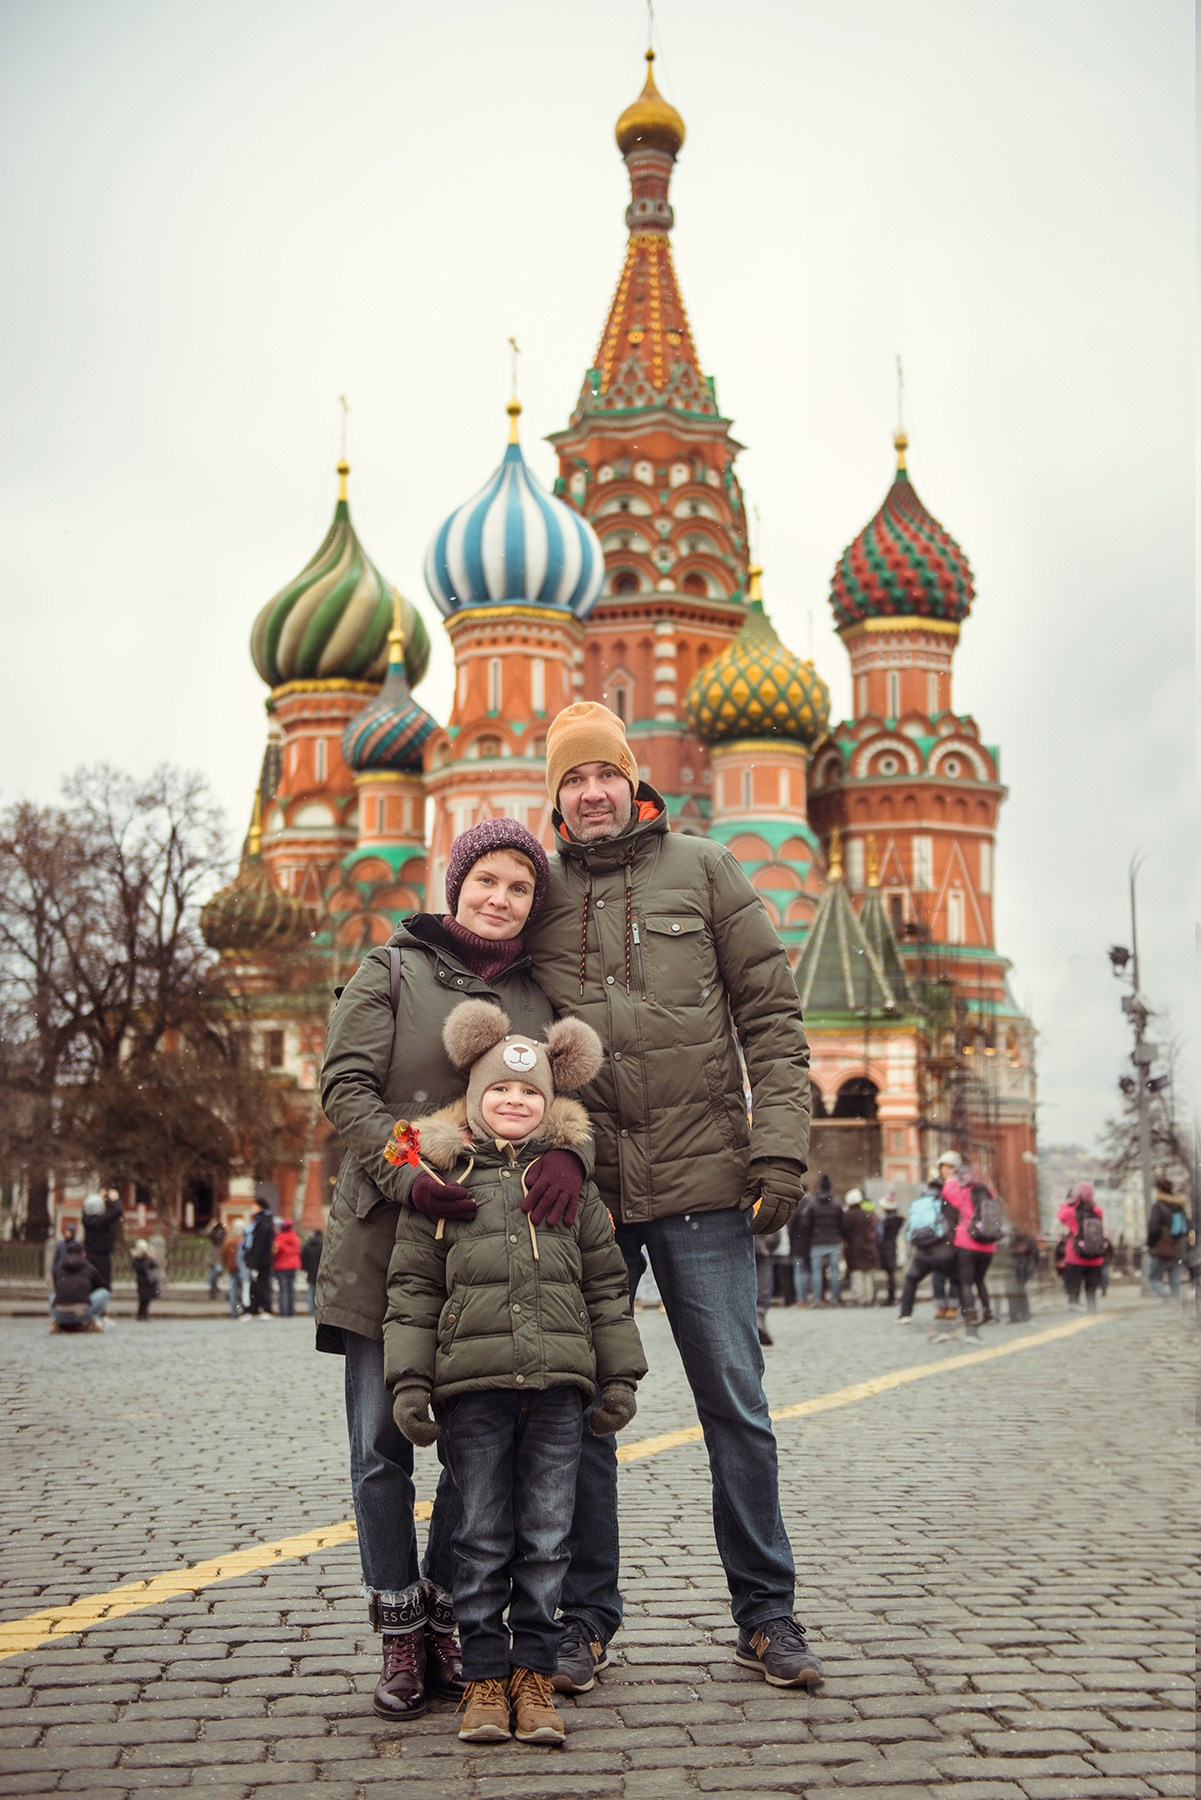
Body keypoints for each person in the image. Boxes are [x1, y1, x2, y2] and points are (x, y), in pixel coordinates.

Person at [525, 700, 823, 1694]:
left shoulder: (703, 867)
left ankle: (766, 1615)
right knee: (584, 1411)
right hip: (588, 1192)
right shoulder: (538, 893)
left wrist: (778, 1151)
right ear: (556, 797)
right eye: (571, 780)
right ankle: (584, 1622)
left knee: (734, 1405)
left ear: (631, 778)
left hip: (702, 1183)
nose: (590, 793)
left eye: (602, 774)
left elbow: (772, 1019)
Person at [318, 818, 576, 1721]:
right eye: (486, 881)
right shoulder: (390, 970)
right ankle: (399, 1628)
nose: (499, 899)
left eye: (518, 887)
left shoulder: (540, 995)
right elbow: (344, 1088)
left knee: (474, 1450)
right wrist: (403, 1171)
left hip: (490, 1256)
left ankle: (447, 1615)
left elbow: (566, 1097)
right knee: (380, 1448)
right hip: (388, 1235)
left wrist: (570, 1155)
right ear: (455, 880)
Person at [384, 999, 646, 1747]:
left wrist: (619, 1377)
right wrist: (409, 1383)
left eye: (529, 1093)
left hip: (560, 1391)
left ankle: (534, 1677)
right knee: (480, 1539)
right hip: (474, 1394)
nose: (513, 1100)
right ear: (473, 1096)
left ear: (550, 1105)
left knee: (546, 1539)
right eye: (499, 1089)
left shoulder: (571, 1186)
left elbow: (605, 1287)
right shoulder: (442, 1189)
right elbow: (411, 1294)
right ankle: (483, 1682)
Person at [943, 1171, 1001, 1342]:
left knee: (966, 1283)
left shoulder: (963, 1193)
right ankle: (988, 1312)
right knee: (980, 1280)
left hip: (967, 1243)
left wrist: (953, 1178)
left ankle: (970, 1316)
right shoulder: (991, 1194)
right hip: (988, 1245)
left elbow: (947, 1190)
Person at [897, 1162, 958, 1324]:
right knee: (955, 1277)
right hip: (942, 1250)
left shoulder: (920, 1201)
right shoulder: (945, 1201)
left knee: (911, 1279)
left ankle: (905, 1314)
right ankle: (950, 1310)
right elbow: (952, 1224)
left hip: (922, 1251)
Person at [803, 1174, 846, 1307]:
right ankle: (834, 1298)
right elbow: (843, 1223)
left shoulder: (813, 1203)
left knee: (816, 1272)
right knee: (834, 1271)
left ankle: (817, 1299)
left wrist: (812, 1235)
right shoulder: (837, 1203)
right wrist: (839, 1235)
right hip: (833, 1241)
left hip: (817, 1242)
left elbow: (805, 1223)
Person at [49, 1239, 110, 1332]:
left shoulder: (59, 1268)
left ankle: (56, 1321)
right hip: (82, 1313)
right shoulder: (89, 1268)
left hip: (60, 1313)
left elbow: (57, 1288)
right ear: (83, 1254)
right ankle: (91, 1320)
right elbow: (101, 1286)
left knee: (53, 1295)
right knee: (104, 1293)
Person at [1146, 1178, 1191, 1302]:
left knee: (1153, 1278)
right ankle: (1175, 1302)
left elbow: (1153, 1228)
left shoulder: (1159, 1206)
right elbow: (1187, 1226)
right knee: (1174, 1279)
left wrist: (1150, 1244)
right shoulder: (1179, 1206)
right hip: (1180, 1247)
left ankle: (1169, 1299)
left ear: (1160, 1190)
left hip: (1163, 1248)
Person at [81, 1186, 124, 1293]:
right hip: (102, 1259)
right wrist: (115, 1199)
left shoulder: (86, 1219)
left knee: (90, 1286)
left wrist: (99, 1197)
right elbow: (117, 1211)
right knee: (103, 1287)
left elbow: (87, 1207)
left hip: (90, 1257)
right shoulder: (102, 1221)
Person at [843, 1188, 879, 1306]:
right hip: (870, 1247)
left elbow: (846, 1232)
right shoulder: (868, 1214)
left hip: (855, 1248)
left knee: (857, 1273)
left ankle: (859, 1297)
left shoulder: (848, 1215)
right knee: (868, 1273)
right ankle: (868, 1297)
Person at [243, 1193, 276, 1318]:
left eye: (254, 1206)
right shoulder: (261, 1222)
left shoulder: (263, 1224)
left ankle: (266, 1308)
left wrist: (254, 1263)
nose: (252, 1208)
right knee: (256, 1285)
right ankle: (254, 1308)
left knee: (262, 1285)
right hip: (260, 1260)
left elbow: (260, 1246)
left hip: (262, 1261)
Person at [877, 1191, 903, 1308]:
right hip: (892, 1245)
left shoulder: (887, 1220)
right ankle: (891, 1296)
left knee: (890, 1273)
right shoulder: (897, 1219)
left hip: (886, 1246)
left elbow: (881, 1234)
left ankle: (891, 1297)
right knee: (891, 1273)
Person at [273, 1216, 303, 1317]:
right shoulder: (295, 1238)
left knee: (283, 1290)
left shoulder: (279, 1239)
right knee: (291, 1289)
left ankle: (284, 1311)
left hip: (282, 1266)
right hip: (294, 1266)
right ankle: (291, 1310)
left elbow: (276, 1252)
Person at [131, 1238, 160, 1322]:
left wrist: (150, 1257)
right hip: (143, 1281)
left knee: (146, 1299)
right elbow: (141, 1268)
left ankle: (143, 1314)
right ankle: (141, 1314)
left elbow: (155, 1265)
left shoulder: (147, 1259)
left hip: (147, 1282)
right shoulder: (137, 1260)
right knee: (143, 1300)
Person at [222, 1222, 246, 1318]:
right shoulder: (243, 1240)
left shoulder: (228, 1241)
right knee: (243, 1289)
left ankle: (234, 1311)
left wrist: (227, 1264)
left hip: (232, 1268)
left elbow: (223, 1254)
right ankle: (245, 1309)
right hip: (242, 1268)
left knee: (233, 1290)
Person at [301, 1228, 324, 1317]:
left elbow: (303, 1257)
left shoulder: (307, 1245)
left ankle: (311, 1310)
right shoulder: (322, 1245)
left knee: (310, 1291)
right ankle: (318, 1310)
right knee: (319, 1292)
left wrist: (305, 1268)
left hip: (310, 1271)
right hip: (319, 1270)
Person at [205, 1219, 226, 1300]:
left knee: (218, 1272)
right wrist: (211, 1225)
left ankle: (214, 1286)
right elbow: (207, 1233)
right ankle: (212, 1289)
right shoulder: (212, 1235)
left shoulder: (223, 1236)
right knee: (212, 1275)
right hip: (212, 1258)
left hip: (219, 1259)